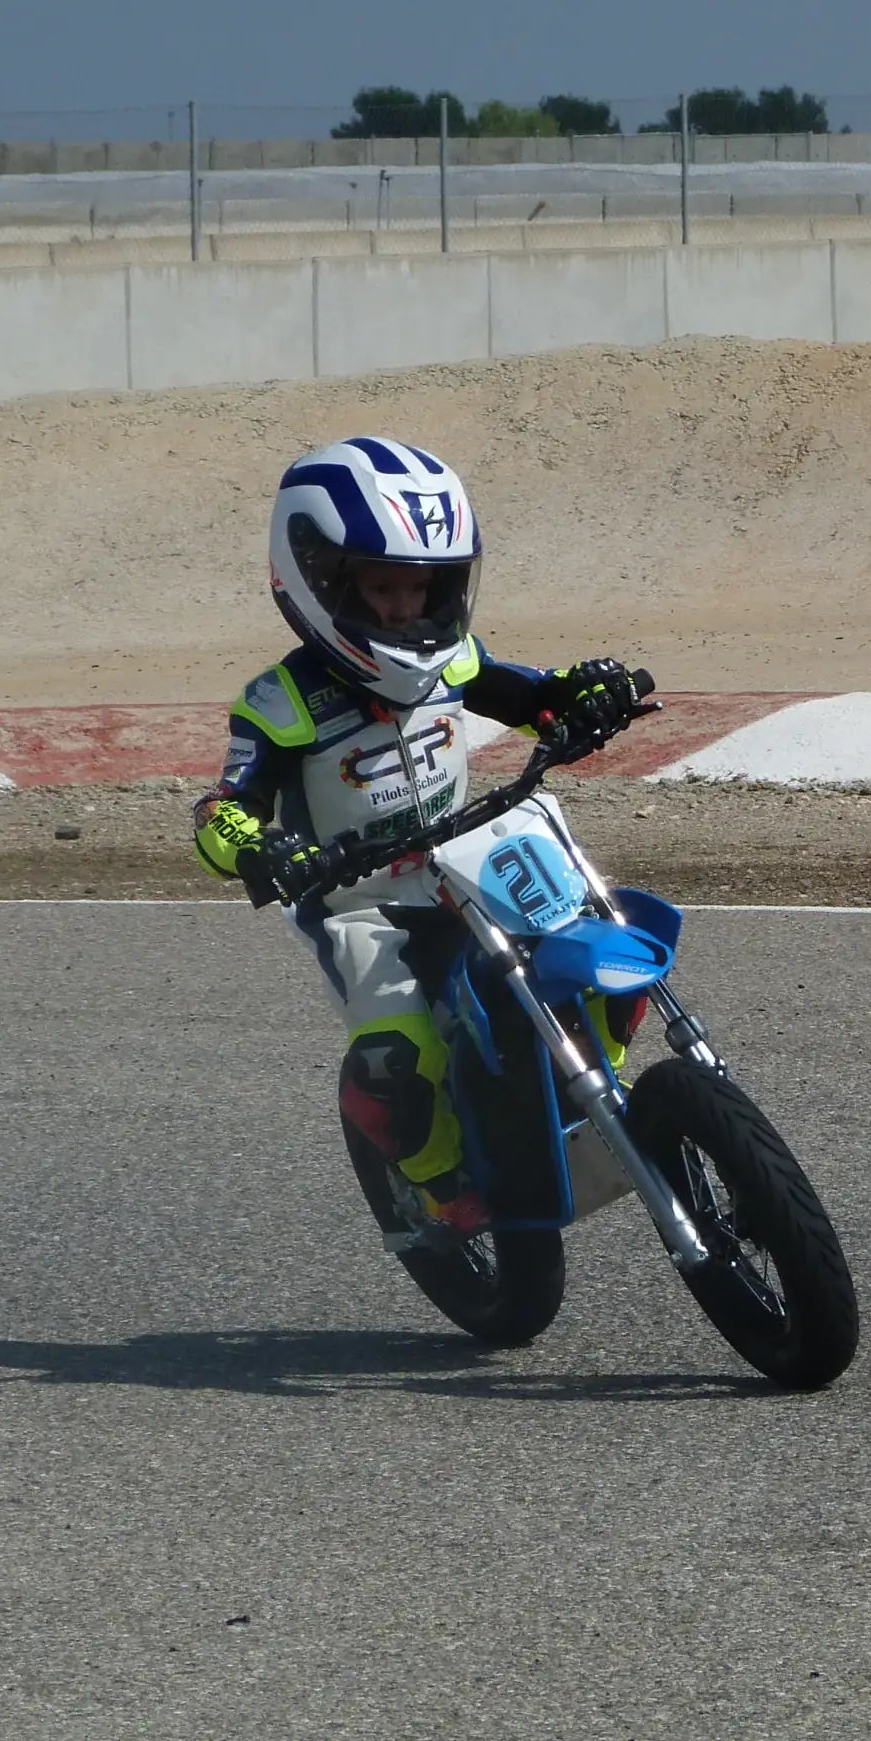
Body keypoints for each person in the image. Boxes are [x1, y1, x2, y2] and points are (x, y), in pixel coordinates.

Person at [193, 435, 642, 1233]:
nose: (405, 608)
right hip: (359, 904)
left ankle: (599, 1082)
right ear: (322, 578)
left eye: (422, 588)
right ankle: (437, 1186)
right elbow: (222, 806)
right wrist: (257, 844)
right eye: (382, 587)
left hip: (470, 863)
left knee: (615, 932)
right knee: (396, 1061)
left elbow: (529, 693)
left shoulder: (452, 659)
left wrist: (583, 693)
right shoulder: (277, 702)